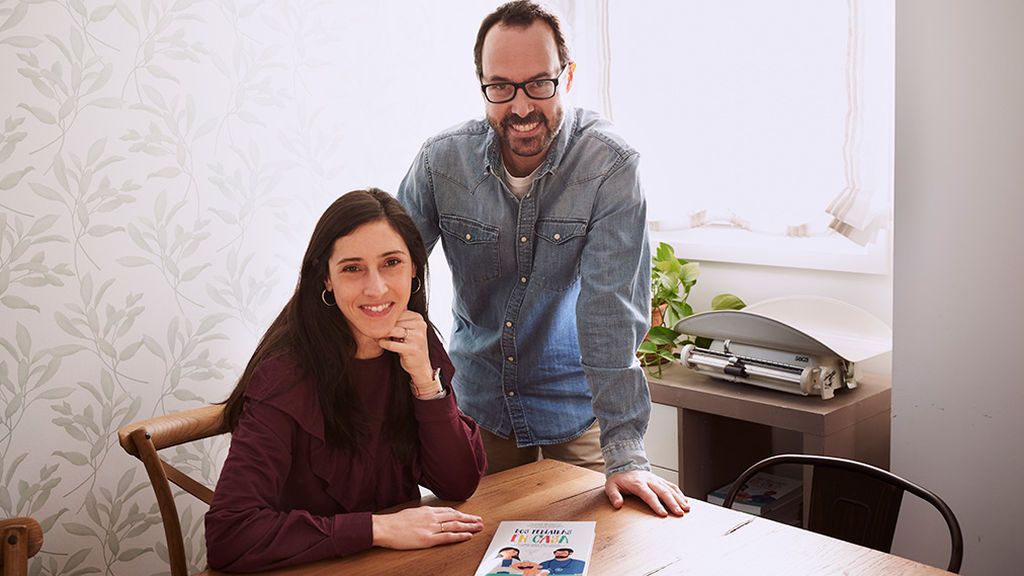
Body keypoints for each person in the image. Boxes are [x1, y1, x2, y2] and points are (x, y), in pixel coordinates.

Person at [397, 0, 689, 517]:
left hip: (576, 410)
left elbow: (610, 310)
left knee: (609, 542)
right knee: (469, 548)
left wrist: (625, 452)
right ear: (482, 85)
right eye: (501, 87)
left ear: (567, 76)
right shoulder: (441, 162)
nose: (521, 107)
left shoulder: (609, 165)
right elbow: (391, 272)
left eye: (538, 84)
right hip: (478, 408)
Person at [205, 189, 487, 572]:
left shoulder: (416, 343)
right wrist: (378, 529)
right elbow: (230, 535)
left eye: (391, 262)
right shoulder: (285, 375)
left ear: (414, 269)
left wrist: (425, 381)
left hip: (396, 564)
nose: (376, 288)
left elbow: (458, 484)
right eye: (352, 268)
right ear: (326, 278)